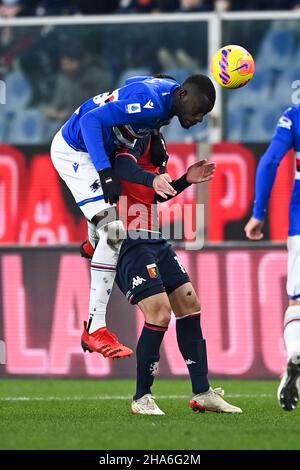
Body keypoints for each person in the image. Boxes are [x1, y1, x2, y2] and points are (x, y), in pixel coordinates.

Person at [50, 74, 216, 359]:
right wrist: (104, 171)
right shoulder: (152, 105)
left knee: (107, 224)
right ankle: (95, 328)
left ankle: (94, 245)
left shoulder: (165, 99)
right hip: (76, 151)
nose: (199, 119)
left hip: (97, 149)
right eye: (199, 111)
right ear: (183, 95)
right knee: (114, 231)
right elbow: (92, 121)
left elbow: (132, 80)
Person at [82, 131, 242, 415]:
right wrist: (151, 179)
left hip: (154, 237)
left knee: (190, 303)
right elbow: (122, 169)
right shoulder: (130, 136)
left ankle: (202, 392)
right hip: (127, 238)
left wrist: (183, 181)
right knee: (158, 312)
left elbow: (155, 193)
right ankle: (142, 397)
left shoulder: (157, 142)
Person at [245, 105, 300, 411]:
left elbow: (270, 162)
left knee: (297, 302)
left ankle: (294, 352)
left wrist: (258, 214)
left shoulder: (295, 115)